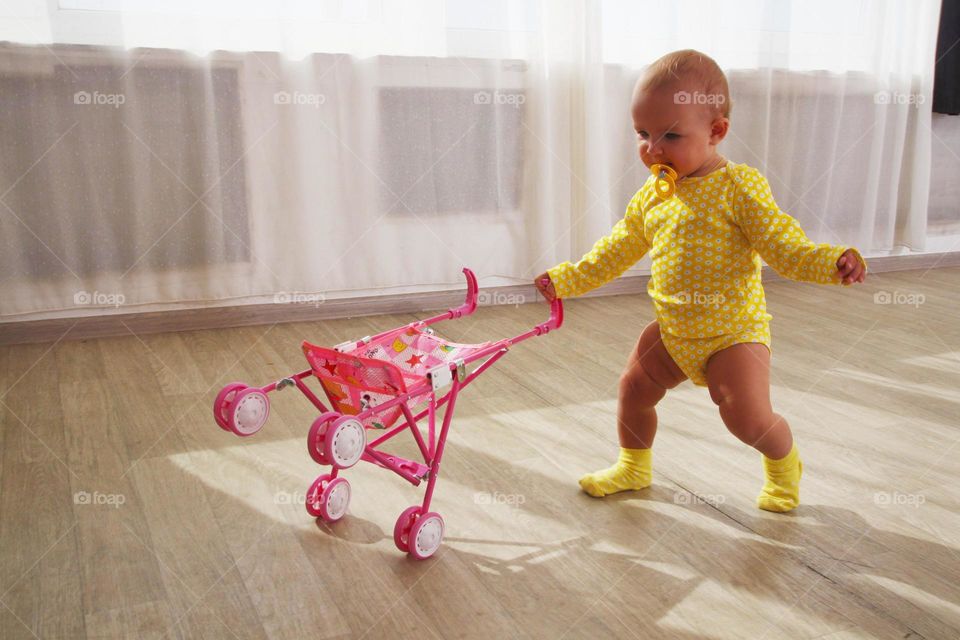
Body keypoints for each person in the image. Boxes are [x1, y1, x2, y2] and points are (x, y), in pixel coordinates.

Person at [534, 49, 866, 512]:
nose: (653, 149)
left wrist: (831, 262)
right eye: (643, 134)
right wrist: (565, 279)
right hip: (675, 331)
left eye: (670, 135)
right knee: (633, 389)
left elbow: (783, 245)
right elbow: (615, 250)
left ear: (716, 132)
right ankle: (633, 465)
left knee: (746, 418)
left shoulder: (739, 187)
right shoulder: (652, 196)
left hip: (733, 334)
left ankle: (784, 463)